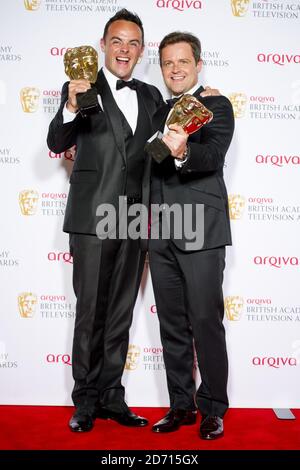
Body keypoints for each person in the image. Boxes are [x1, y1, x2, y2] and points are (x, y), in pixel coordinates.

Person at [47, 9, 164, 433]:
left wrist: (204, 103)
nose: (125, 49)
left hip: (135, 220)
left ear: (141, 50)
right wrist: (71, 106)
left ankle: (113, 395)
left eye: (133, 43)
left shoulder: (151, 94)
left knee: (120, 312)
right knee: (90, 310)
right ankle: (85, 399)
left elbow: (161, 148)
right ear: (102, 44)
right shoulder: (80, 87)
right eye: (118, 40)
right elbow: (57, 141)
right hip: (92, 216)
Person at [148, 32, 234, 440]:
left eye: (183, 61)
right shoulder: (155, 110)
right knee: (171, 325)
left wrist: (183, 150)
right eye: (168, 63)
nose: (176, 69)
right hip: (159, 231)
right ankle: (181, 405)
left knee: (205, 321)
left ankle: (213, 408)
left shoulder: (216, 105)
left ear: (199, 64)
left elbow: (214, 155)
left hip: (201, 230)